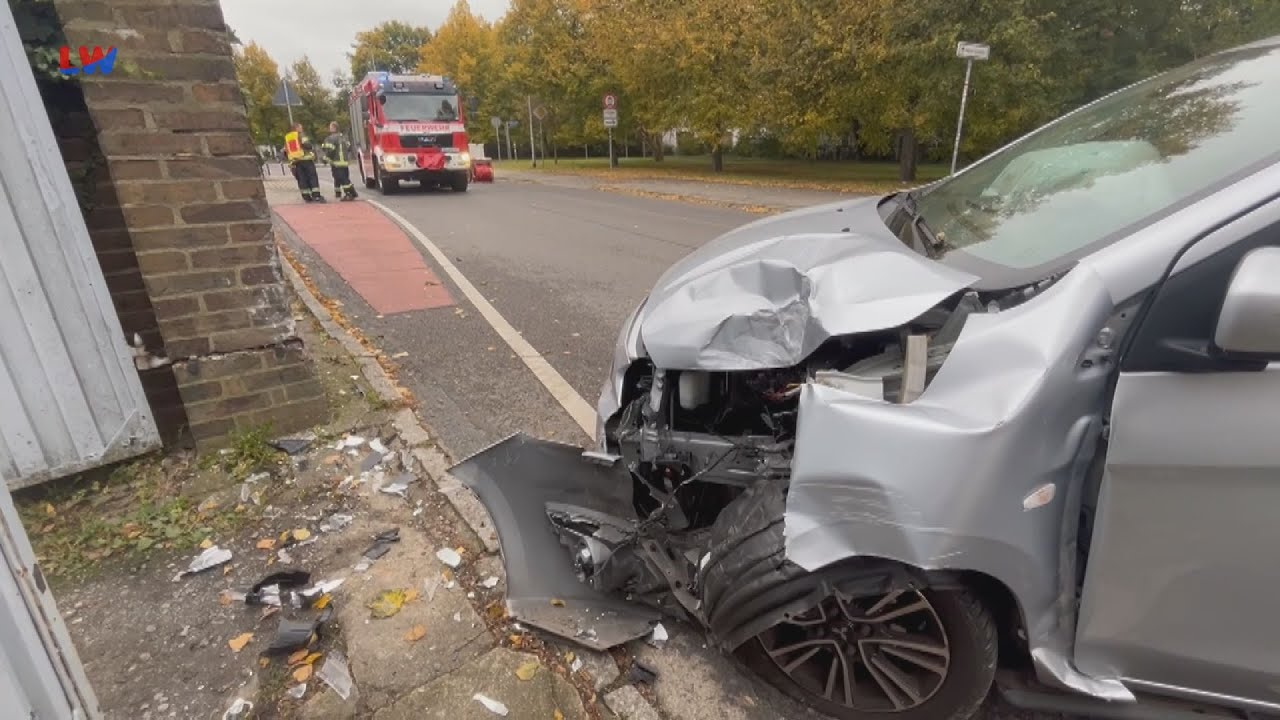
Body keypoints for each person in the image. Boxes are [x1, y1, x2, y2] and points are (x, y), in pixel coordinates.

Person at [284, 123, 324, 203]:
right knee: (312, 177)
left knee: (302, 179)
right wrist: (310, 147)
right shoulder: (301, 135)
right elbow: (308, 145)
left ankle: (306, 196)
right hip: (306, 160)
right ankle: (316, 196)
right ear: (296, 128)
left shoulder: (288, 138)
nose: (302, 129)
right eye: (300, 128)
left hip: (296, 162)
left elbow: (285, 151)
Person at [321, 122, 358, 201]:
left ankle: (349, 194)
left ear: (334, 128)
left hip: (337, 162)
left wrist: (325, 159)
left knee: (343, 179)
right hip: (344, 162)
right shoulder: (344, 137)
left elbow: (329, 151)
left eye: (330, 127)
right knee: (345, 178)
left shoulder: (331, 138)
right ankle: (352, 193)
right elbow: (348, 147)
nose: (329, 129)